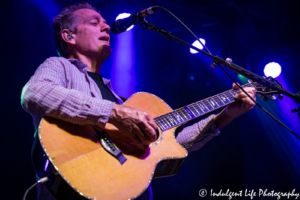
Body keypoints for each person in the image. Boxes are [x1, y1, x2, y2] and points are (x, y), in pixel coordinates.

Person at [21, 2, 256, 200]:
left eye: (104, 22)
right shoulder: (60, 66)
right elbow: (35, 94)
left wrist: (227, 115)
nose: (105, 26)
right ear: (68, 36)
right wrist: (115, 114)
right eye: (94, 22)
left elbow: (171, 145)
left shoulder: (117, 97)